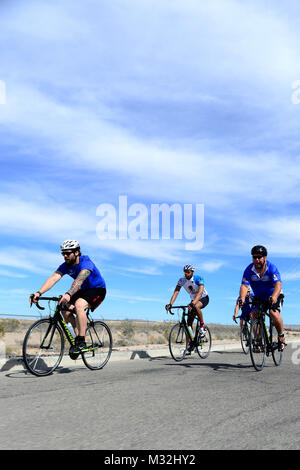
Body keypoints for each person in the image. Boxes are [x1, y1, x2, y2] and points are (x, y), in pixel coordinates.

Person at [30, 240, 106, 355]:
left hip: (97, 289)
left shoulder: (86, 261)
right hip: (82, 290)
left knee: (79, 304)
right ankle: (77, 341)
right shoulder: (65, 266)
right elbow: (53, 278)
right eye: (63, 253)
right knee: (64, 309)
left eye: (68, 253)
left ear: (76, 252)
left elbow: (80, 279)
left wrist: (69, 294)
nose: (65, 256)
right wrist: (39, 293)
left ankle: (82, 340)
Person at [239, 245, 285, 350]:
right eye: (254, 257)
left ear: (265, 258)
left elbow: (278, 284)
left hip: (274, 294)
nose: (257, 260)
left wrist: (274, 297)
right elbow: (244, 286)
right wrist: (242, 298)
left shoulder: (271, 268)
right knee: (254, 314)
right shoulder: (249, 270)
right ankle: (259, 340)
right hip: (259, 297)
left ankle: (281, 336)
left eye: (259, 257)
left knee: (274, 313)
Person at [165, 264, 209, 353]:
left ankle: (202, 326)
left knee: (196, 306)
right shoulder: (182, 280)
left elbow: (200, 293)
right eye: (185, 272)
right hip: (193, 300)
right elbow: (176, 291)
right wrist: (170, 304)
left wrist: (193, 303)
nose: (186, 274)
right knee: (188, 324)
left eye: (188, 272)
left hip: (203, 298)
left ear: (192, 272)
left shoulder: (199, 278)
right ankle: (191, 343)